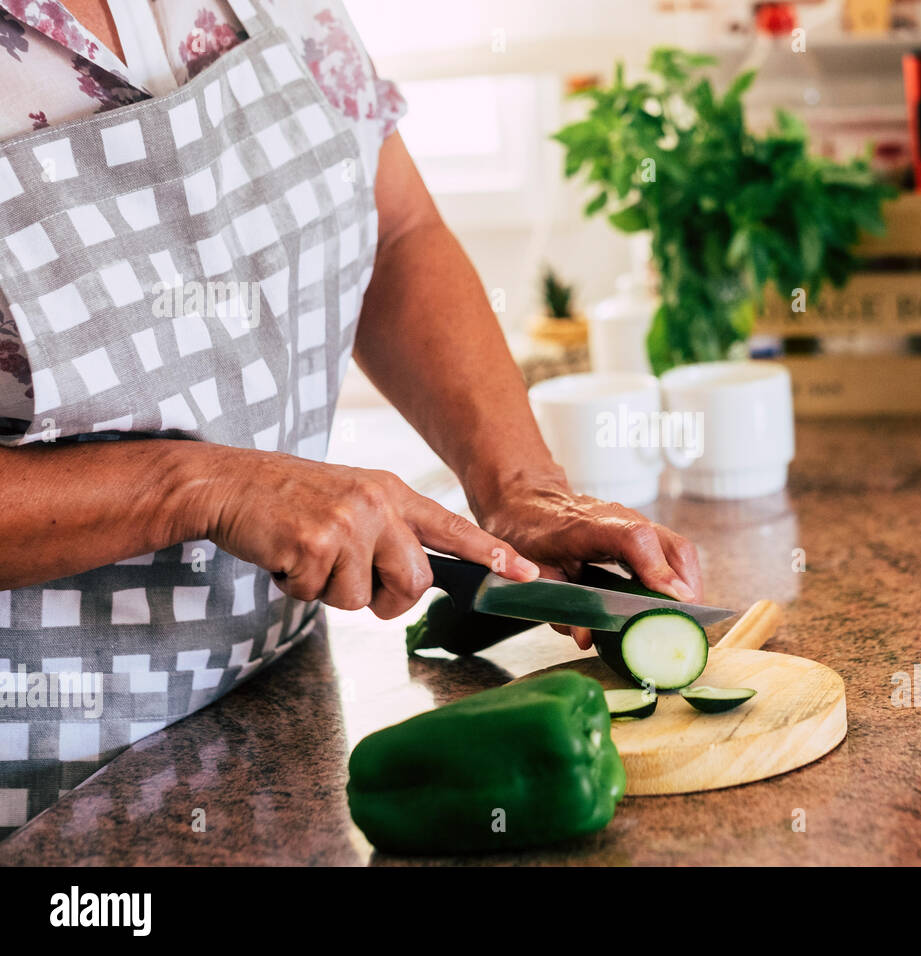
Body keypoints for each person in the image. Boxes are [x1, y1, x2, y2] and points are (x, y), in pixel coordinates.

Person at [0, 0, 701, 839]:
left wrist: (522, 487)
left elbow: (399, 232)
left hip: (270, 719)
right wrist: (201, 487)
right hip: (41, 794)